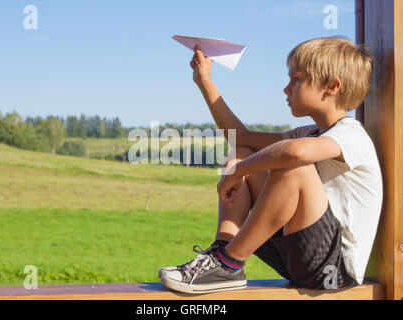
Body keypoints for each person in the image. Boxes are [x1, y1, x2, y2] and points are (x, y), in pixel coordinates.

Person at [159, 37, 383, 294]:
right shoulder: (309, 133)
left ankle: (228, 263)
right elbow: (240, 138)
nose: (286, 89)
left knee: (294, 167)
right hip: (298, 254)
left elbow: (294, 153)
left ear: (332, 86)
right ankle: (223, 252)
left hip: (334, 270)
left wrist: (237, 173)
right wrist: (205, 82)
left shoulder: (351, 133)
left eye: (295, 79)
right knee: (242, 154)